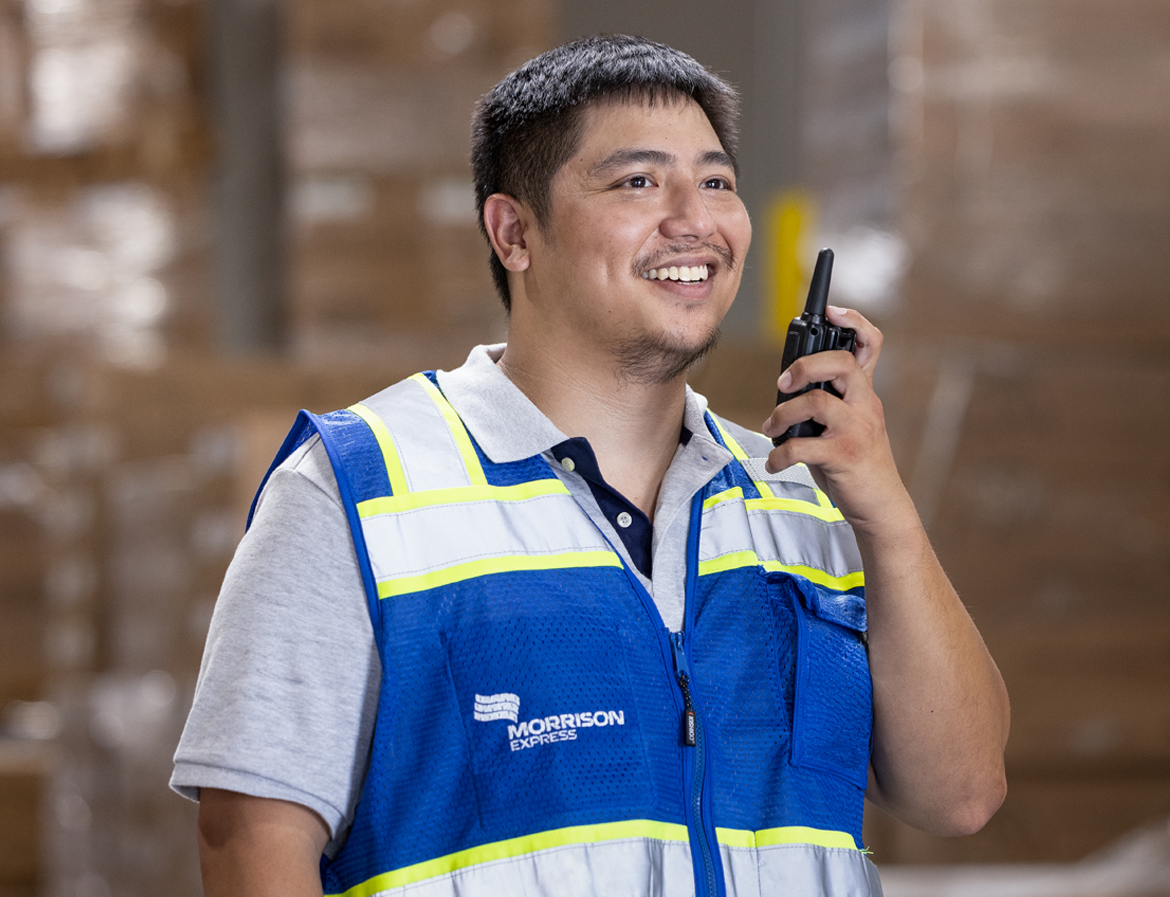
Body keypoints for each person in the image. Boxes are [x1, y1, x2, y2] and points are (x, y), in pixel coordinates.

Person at [173, 34, 1009, 897]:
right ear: (514, 232)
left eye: (717, 181)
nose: (695, 218)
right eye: (638, 181)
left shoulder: (803, 496)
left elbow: (964, 792)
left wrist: (886, 514)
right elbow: (250, 844)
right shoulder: (358, 490)